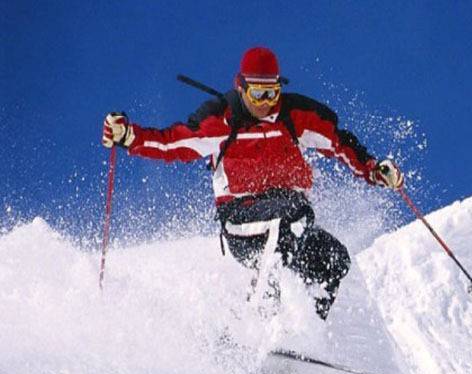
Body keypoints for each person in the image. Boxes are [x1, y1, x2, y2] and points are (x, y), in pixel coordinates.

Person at [101, 47, 403, 319]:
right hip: (242, 220)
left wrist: (373, 170)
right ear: (241, 88)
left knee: (334, 260)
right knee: (293, 215)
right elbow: (171, 144)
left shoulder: (293, 117)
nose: (266, 103)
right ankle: (260, 319)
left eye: (272, 93)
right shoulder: (222, 122)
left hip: (291, 219)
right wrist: (129, 137)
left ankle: (307, 338)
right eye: (258, 94)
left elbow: (339, 143)